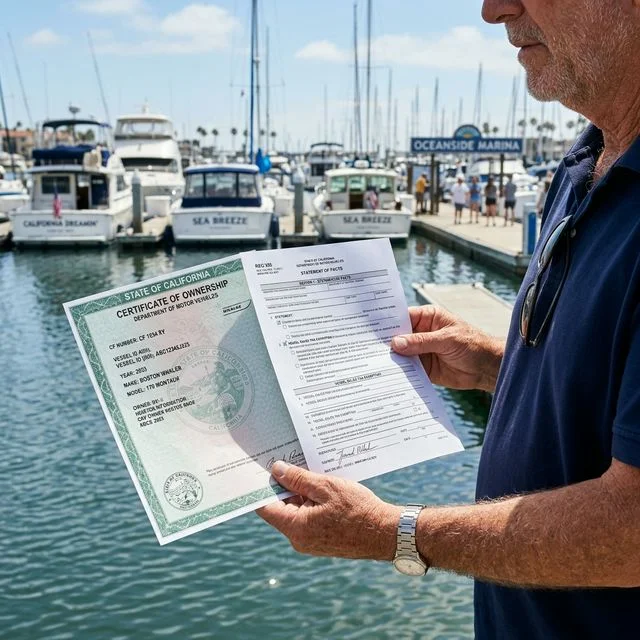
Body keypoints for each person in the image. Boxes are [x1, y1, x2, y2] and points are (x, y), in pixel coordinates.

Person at [258, 1, 640, 638]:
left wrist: (395, 533)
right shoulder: (585, 163)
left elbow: (632, 530)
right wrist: (497, 363)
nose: (494, 10)